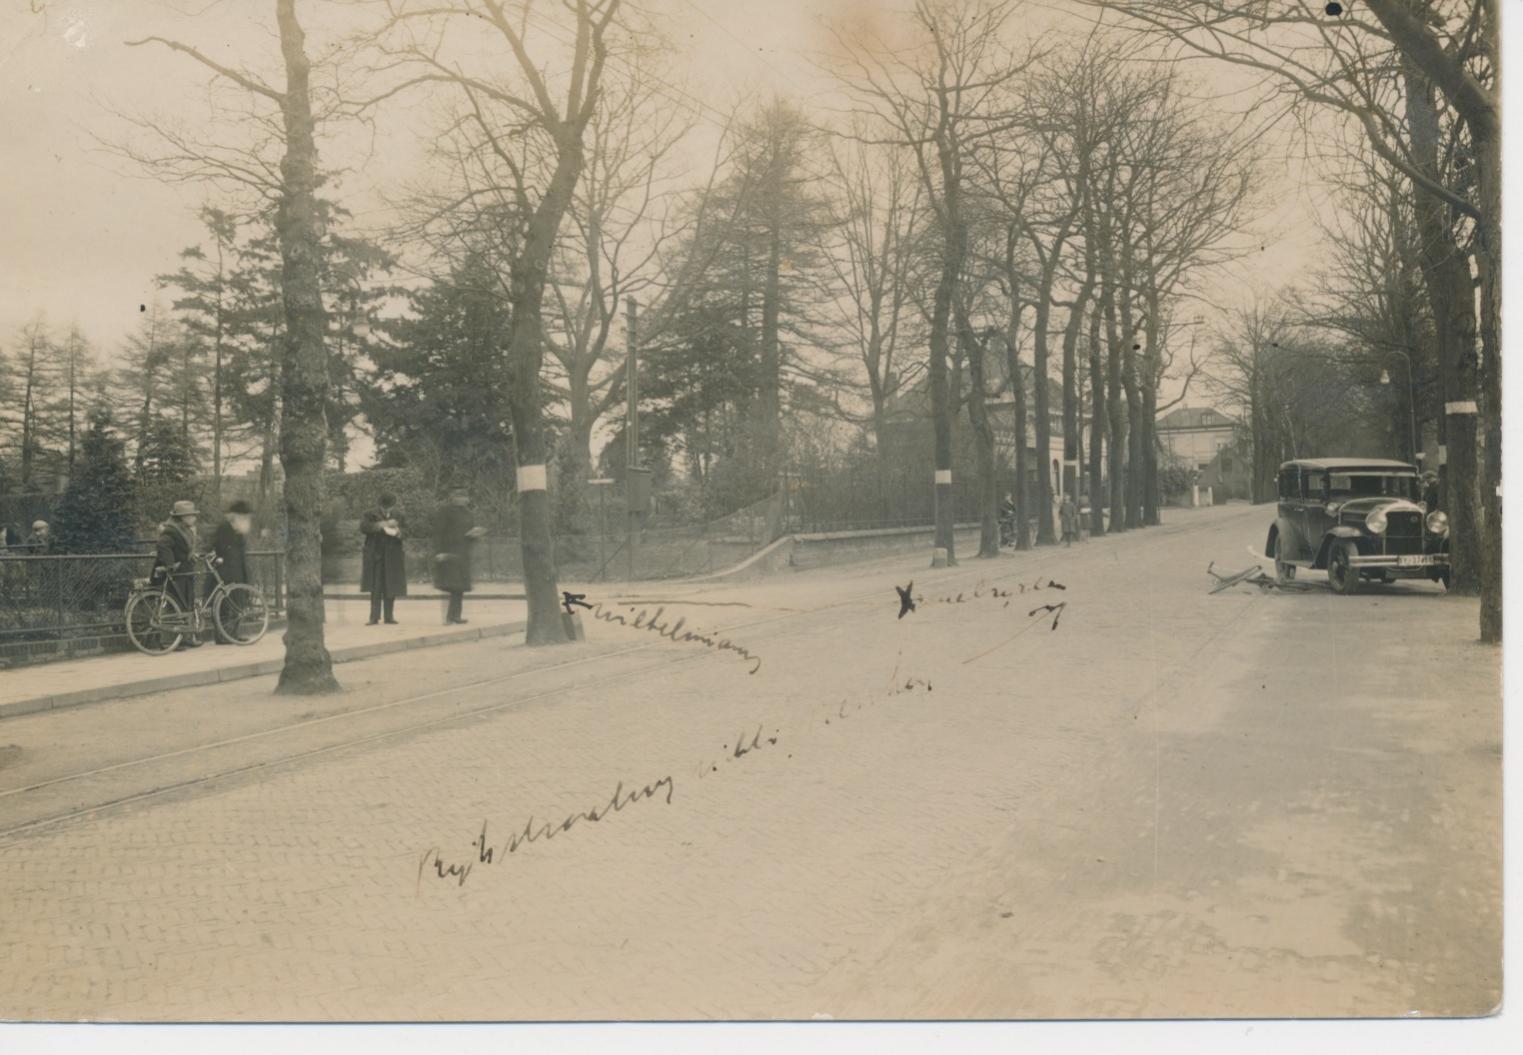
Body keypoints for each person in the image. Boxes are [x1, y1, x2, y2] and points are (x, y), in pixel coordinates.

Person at [433, 489, 486, 625]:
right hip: (449, 552)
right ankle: (449, 617)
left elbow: (470, 530)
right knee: (451, 586)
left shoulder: (468, 513)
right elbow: (438, 533)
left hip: (463, 553)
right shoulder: (445, 511)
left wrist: (475, 535)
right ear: (453, 498)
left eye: (465, 497)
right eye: (460, 497)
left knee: (459, 587)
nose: (463, 499)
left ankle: (455, 615)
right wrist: (439, 552)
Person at [154, 500, 201, 649]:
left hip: (185, 571)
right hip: (176, 573)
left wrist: (191, 556)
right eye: (191, 515)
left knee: (187, 604)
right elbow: (162, 545)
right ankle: (168, 641)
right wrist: (170, 564)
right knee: (173, 606)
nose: (194, 518)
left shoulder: (185, 529)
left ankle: (186, 637)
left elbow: (185, 549)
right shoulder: (172, 530)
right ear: (183, 517)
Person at [209, 500, 254, 644]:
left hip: (236, 573)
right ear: (237, 516)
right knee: (224, 606)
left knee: (236, 605)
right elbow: (216, 548)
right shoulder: (224, 528)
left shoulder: (238, 531)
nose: (246, 520)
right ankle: (223, 636)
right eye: (244, 517)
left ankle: (232, 634)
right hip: (225, 574)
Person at [361, 491, 407, 625]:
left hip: (393, 555)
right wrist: (383, 524)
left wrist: (399, 532)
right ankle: (374, 617)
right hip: (376, 555)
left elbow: (407, 530)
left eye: (389, 507)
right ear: (379, 505)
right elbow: (364, 527)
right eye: (384, 508)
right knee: (375, 587)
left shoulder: (399, 515)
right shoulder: (369, 514)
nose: (387, 510)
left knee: (390, 585)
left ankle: (389, 616)